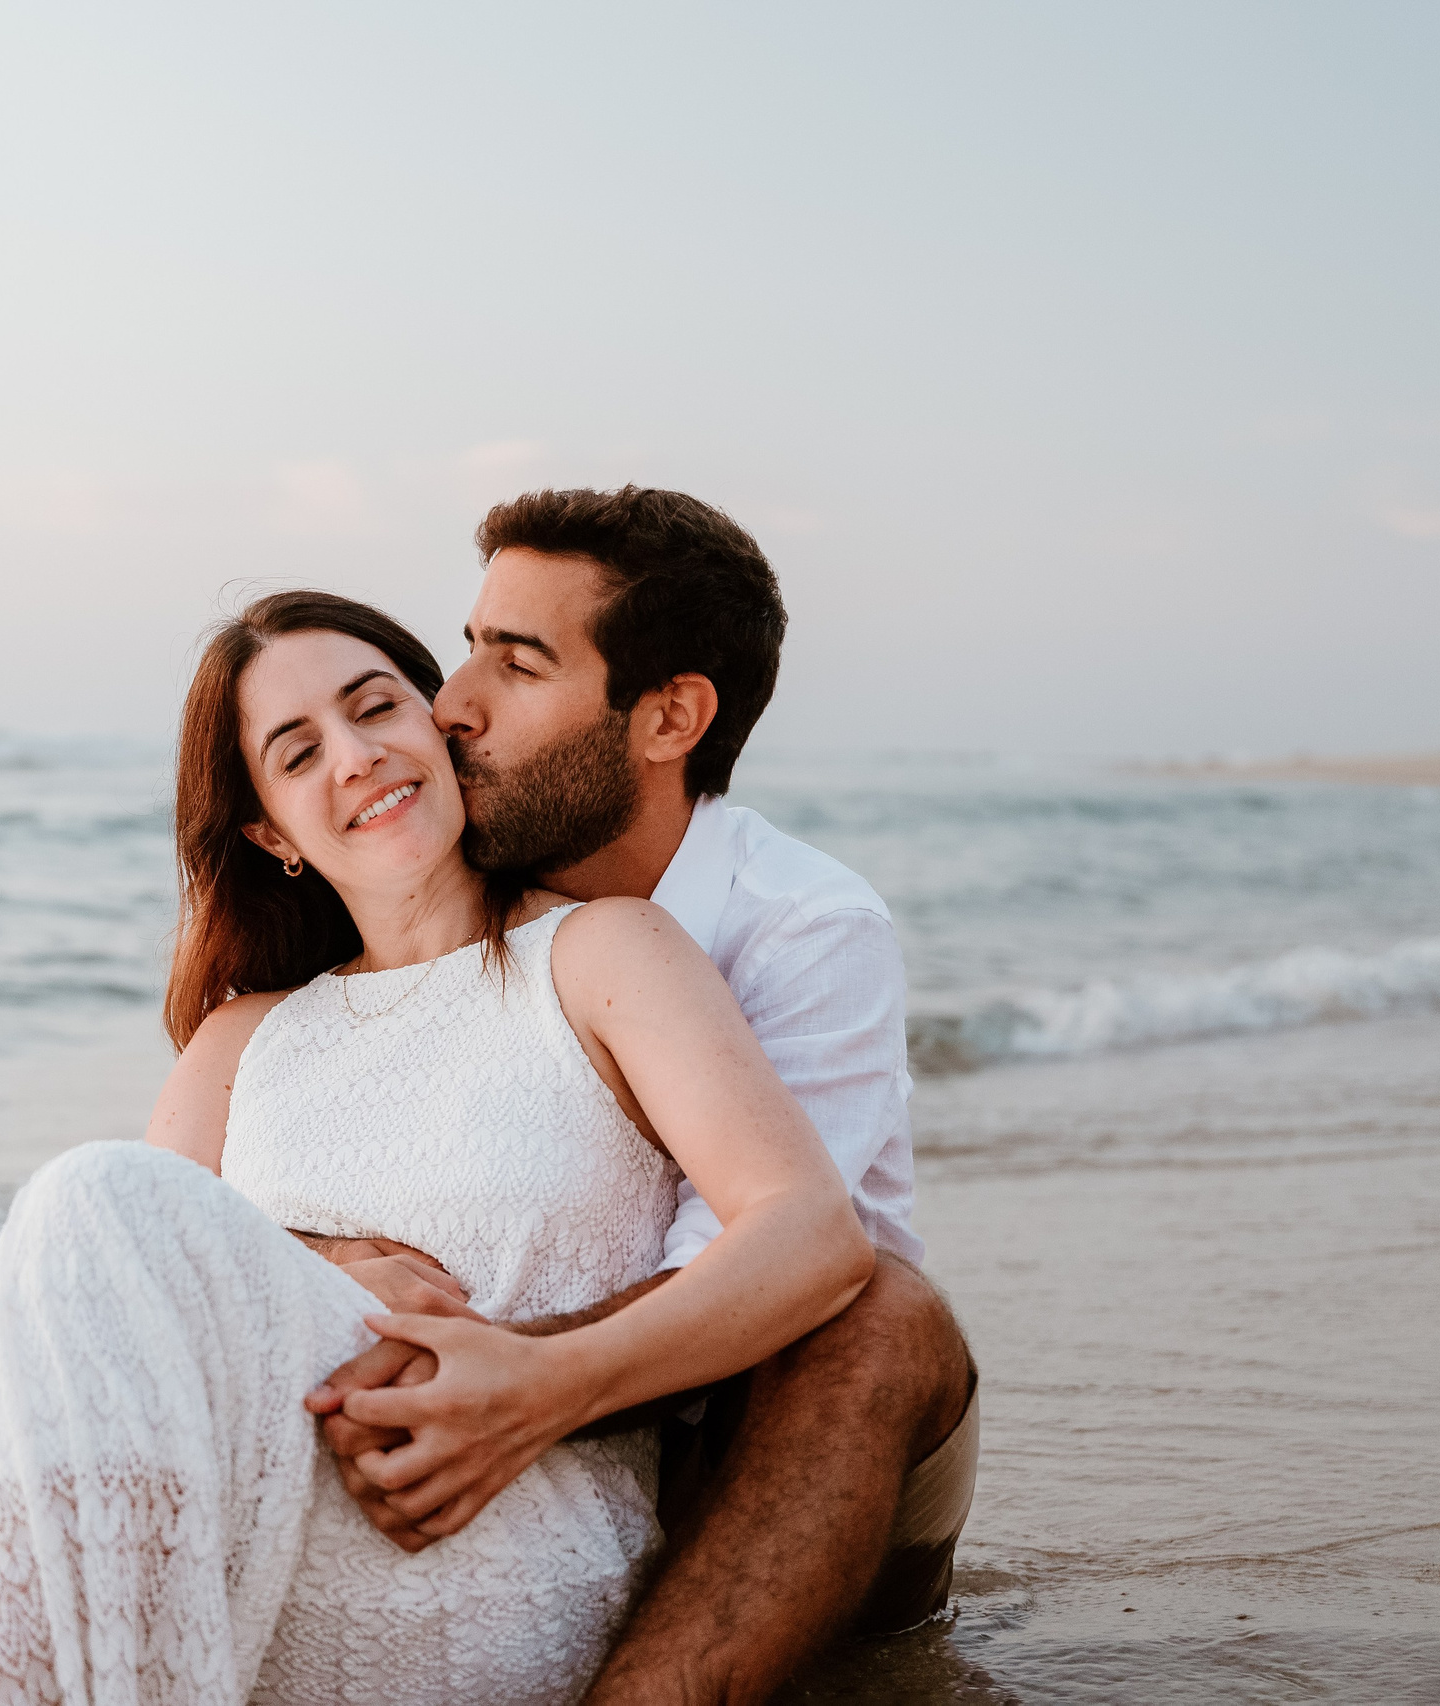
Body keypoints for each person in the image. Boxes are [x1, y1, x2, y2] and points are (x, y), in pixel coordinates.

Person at [0, 589, 876, 1705]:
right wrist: (306, 1260)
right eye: (297, 750)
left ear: (435, 725)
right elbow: (120, 1314)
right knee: (51, 1270)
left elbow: (809, 1230)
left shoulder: (602, 953)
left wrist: (552, 1379)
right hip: (235, 1547)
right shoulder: (242, 1038)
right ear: (272, 831)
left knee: (92, 1194)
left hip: (494, 1537)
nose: (357, 753)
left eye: (375, 704)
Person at [302, 486, 981, 1704]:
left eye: (516, 663)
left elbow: (775, 1272)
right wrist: (315, 1257)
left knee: (877, 1308)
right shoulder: (422, 869)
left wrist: (495, 1367)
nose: (449, 705)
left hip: (792, 1430)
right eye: (465, 648)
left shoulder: (800, 924)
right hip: (510, 1411)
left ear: (670, 715)